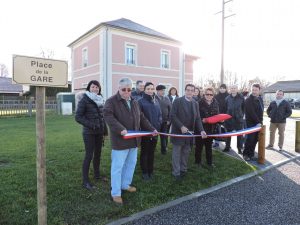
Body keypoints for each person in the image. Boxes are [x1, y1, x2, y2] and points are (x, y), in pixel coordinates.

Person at [103, 78, 156, 204]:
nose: (127, 92)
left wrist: (152, 128)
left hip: (134, 141)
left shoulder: (134, 101)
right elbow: (108, 117)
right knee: (117, 167)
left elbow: (142, 118)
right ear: (119, 88)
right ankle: (115, 193)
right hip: (120, 141)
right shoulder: (111, 101)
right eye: (124, 89)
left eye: (129, 89)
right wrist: (121, 129)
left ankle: (125, 184)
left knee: (131, 164)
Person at [75, 80, 107, 191]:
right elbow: (78, 117)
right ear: (89, 88)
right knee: (89, 156)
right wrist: (91, 125)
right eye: (93, 87)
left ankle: (97, 175)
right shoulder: (85, 99)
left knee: (98, 154)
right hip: (89, 133)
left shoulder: (101, 99)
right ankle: (85, 181)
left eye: (97, 87)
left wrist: (105, 131)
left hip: (99, 132)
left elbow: (103, 117)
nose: (95, 89)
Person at [170, 84, 206, 180]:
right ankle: (176, 172)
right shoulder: (177, 101)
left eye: (191, 90)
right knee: (177, 153)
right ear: (185, 91)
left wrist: (202, 130)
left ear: (194, 92)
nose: (189, 92)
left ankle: (183, 169)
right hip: (178, 132)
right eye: (188, 90)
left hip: (190, 133)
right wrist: (181, 126)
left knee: (186, 151)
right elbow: (172, 115)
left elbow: (198, 118)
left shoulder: (195, 103)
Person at [138, 82, 162, 180]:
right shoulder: (140, 101)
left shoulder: (156, 101)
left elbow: (160, 114)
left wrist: (159, 124)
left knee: (152, 152)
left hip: (155, 131)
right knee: (145, 152)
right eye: (148, 89)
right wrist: (149, 128)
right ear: (144, 90)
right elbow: (140, 117)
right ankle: (144, 171)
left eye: (152, 89)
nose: (150, 91)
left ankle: (150, 170)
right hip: (145, 132)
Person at [195, 87, 219, 167]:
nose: (209, 96)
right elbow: (196, 117)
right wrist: (202, 120)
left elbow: (217, 115)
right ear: (204, 94)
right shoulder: (199, 103)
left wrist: (220, 120)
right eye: (207, 94)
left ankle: (209, 163)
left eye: (211, 94)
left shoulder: (216, 103)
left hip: (211, 129)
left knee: (209, 147)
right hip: (200, 128)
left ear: (213, 95)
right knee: (199, 147)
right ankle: (198, 162)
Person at [243, 83, 264, 161]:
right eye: (253, 90)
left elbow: (261, 111)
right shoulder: (248, 100)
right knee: (250, 139)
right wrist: (258, 122)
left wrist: (260, 122)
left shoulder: (260, 99)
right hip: (251, 123)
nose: (254, 91)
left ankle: (251, 154)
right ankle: (246, 154)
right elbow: (252, 113)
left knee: (255, 139)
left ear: (259, 90)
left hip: (259, 123)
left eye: (256, 90)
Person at [223, 84, 245, 154]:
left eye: (234, 88)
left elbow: (243, 108)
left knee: (239, 135)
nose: (233, 89)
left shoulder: (241, 98)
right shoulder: (227, 98)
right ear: (230, 89)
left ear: (237, 89)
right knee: (228, 134)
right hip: (229, 120)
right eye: (232, 88)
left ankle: (239, 148)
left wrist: (241, 116)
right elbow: (225, 108)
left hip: (239, 120)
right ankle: (227, 147)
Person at [155, 84, 172, 155]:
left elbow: (170, 110)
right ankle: (153, 149)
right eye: (162, 90)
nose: (163, 92)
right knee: (154, 136)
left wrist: (169, 120)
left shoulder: (167, 98)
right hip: (156, 122)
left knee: (164, 136)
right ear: (157, 91)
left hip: (165, 121)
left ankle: (163, 151)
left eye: (164, 90)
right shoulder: (154, 98)